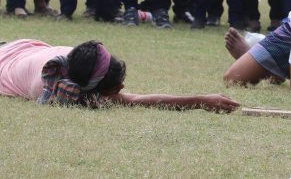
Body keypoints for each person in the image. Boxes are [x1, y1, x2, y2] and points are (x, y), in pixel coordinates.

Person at [0, 40, 239, 111]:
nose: (122, 87)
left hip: (22, 48)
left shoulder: (79, 61)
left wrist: (202, 100)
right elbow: (135, 100)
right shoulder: (56, 88)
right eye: (115, 87)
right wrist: (200, 101)